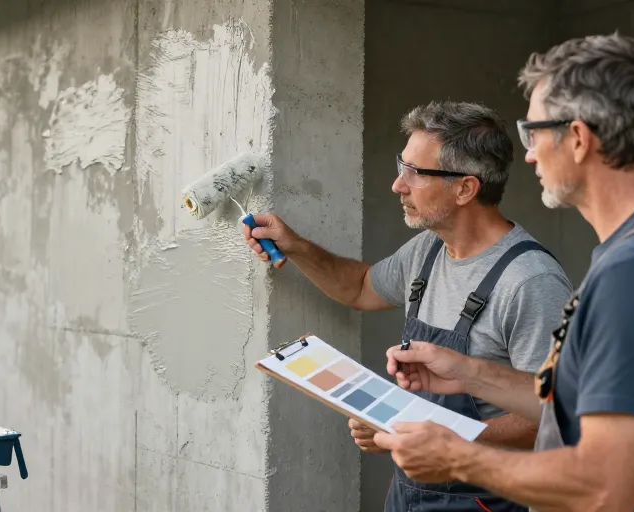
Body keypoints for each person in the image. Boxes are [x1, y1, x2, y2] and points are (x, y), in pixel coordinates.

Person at [374, 33, 634, 512]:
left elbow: (603, 488)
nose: (529, 154)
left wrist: (458, 457)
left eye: (532, 133)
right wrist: (471, 374)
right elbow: (577, 406)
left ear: (577, 138)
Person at [242, 100, 573, 511]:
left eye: (414, 173)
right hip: (410, 494)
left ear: (466, 188)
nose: (398, 185)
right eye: (403, 166)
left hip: (485, 501)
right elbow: (362, 288)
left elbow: (555, 414)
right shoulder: (428, 250)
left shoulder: (529, 282)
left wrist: (444, 442)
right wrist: (297, 247)